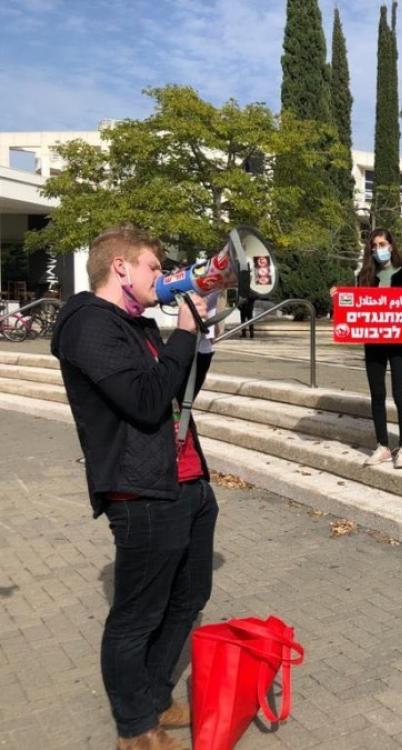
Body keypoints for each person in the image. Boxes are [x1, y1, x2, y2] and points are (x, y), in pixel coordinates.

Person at [50, 225, 217, 750]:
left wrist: (200, 338)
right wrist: (182, 334)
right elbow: (144, 403)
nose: (161, 276)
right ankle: (135, 728)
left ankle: (155, 697)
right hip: (140, 492)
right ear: (120, 266)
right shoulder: (87, 325)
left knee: (189, 597)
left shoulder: (137, 325)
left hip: (186, 481)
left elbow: (176, 392)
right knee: (137, 616)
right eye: (153, 266)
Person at [352, 229, 402, 468]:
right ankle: (382, 446)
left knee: (400, 394)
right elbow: (357, 306)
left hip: (399, 343)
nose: (378, 248)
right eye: (374, 245)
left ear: (391, 246)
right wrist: (339, 297)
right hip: (374, 343)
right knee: (377, 394)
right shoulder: (365, 276)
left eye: (382, 244)